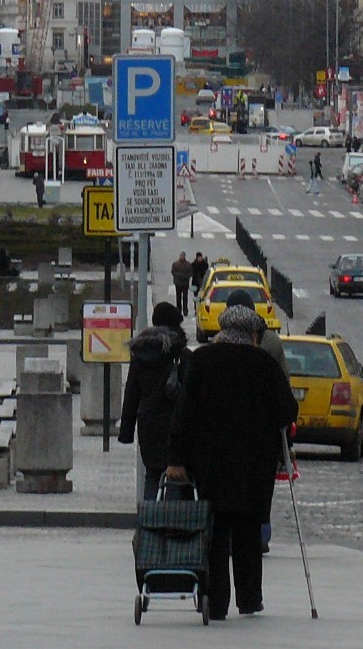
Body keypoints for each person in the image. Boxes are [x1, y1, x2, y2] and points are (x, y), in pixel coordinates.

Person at [165, 304, 298, 620]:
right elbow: (286, 411)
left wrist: (176, 458)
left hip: (210, 462)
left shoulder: (201, 360)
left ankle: (217, 600)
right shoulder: (265, 364)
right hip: (254, 464)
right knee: (249, 530)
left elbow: (184, 413)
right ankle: (250, 599)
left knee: (215, 531)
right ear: (253, 334)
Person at [118, 302, 189, 496]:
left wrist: (126, 432)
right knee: (175, 478)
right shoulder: (182, 355)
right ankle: (171, 522)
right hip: (175, 427)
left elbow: (131, 395)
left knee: (152, 474)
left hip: (148, 426)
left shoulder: (140, 355)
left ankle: (149, 521)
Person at [171, 253, 192, 317]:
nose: (182, 257)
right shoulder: (175, 264)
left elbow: (191, 273)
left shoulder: (188, 264)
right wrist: (180, 276)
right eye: (181, 256)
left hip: (185, 283)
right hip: (178, 283)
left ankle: (185, 310)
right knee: (178, 297)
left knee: (185, 297)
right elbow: (173, 272)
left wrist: (185, 277)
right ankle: (179, 310)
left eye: (183, 256)